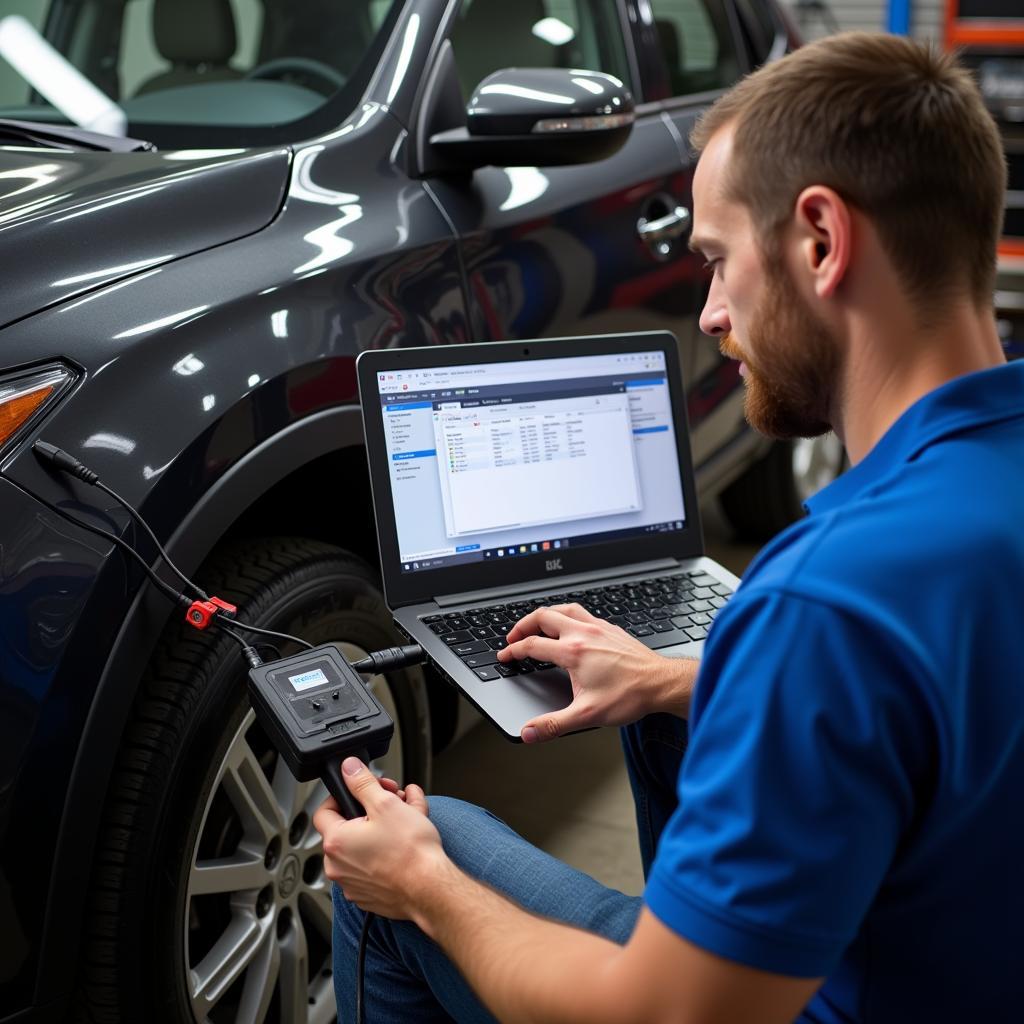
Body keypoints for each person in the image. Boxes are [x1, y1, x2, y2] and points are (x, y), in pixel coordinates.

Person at [313, 31, 1024, 1022]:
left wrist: (422, 886)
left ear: (819, 240)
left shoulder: (827, 596)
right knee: (663, 717)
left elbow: (666, 1016)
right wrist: (684, 677)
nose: (711, 314)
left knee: (416, 843)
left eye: (718, 261)